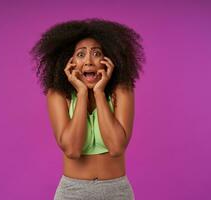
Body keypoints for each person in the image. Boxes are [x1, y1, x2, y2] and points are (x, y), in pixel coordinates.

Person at [30, 18, 145, 200]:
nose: (89, 61)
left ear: (109, 59)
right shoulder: (58, 94)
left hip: (116, 192)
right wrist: (82, 93)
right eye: (81, 54)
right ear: (70, 62)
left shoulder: (122, 91)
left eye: (97, 53)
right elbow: (73, 150)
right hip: (72, 192)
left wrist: (99, 92)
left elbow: (116, 147)